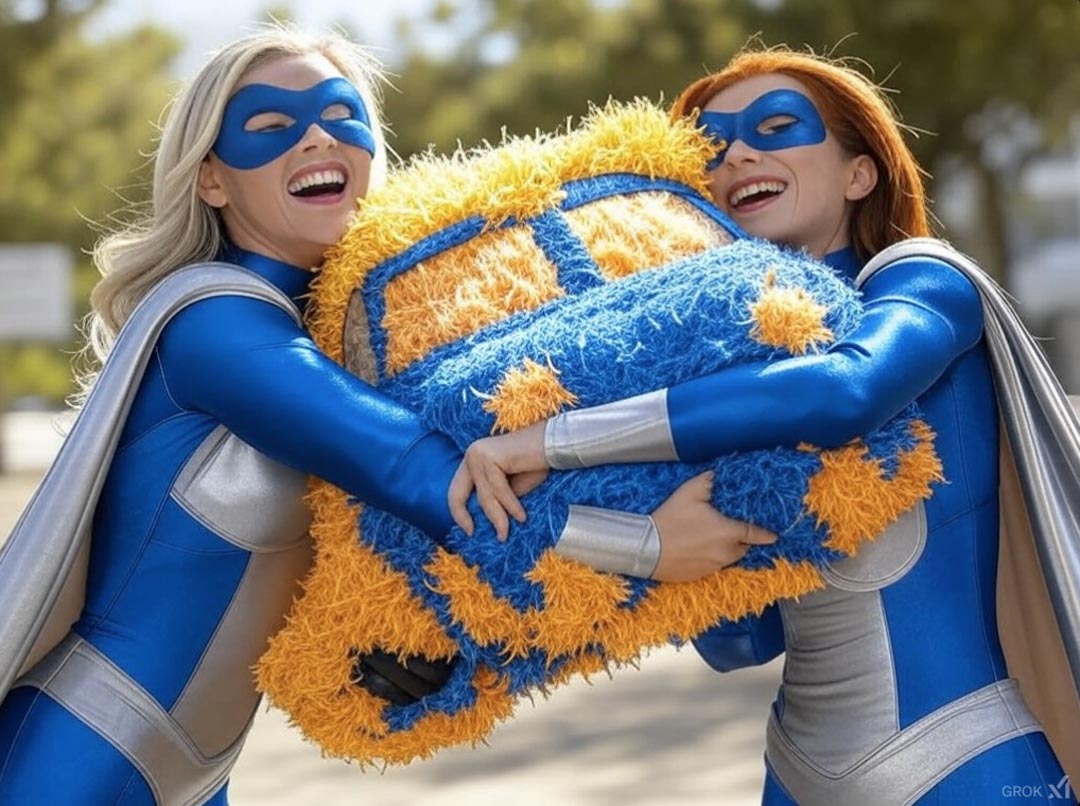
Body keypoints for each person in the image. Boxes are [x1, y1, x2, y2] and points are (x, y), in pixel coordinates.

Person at [0, 25, 767, 804]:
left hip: (197, 772)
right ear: (212, 181)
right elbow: (415, 469)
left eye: (340, 117)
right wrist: (644, 543)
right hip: (77, 750)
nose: (314, 138)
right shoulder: (215, 322)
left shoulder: (342, 339)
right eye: (270, 127)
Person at [451, 47, 1077, 804]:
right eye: (712, 147)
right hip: (796, 771)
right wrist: (653, 545)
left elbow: (848, 390)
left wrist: (550, 441)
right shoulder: (721, 381)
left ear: (860, 172)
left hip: (970, 760)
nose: (739, 152)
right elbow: (741, 641)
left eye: (777, 127)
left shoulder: (923, 282)